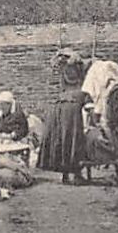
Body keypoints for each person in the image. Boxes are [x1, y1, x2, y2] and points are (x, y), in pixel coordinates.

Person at [37, 50, 90, 183]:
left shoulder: (64, 72)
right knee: (73, 140)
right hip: (71, 109)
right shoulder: (75, 74)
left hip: (61, 107)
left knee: (63, 139)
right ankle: (76, 174)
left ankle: (66, 174)